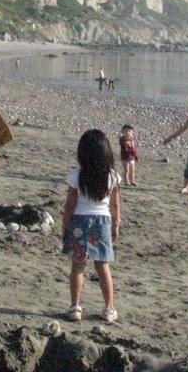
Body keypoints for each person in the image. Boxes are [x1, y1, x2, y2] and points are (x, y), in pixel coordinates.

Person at [61, 129, 121, 323]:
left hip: (79, 221)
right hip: (102, 221)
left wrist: (65, 226)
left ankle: (75, 307)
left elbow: (69, 205)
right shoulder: (112, 176)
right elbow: (115, 205)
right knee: (103, 266)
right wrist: (115, 225)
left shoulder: (77, 176)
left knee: (78, 266)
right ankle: (109, 308)